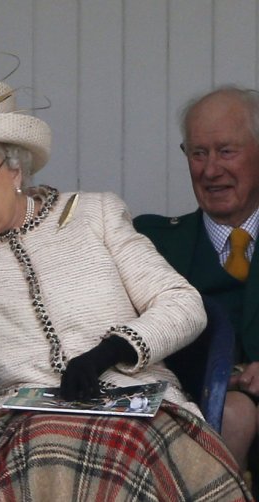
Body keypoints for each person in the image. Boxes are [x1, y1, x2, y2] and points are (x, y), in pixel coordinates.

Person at [0, 80, 251, 500]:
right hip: (21, 427)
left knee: (117, 449)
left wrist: (111, 351)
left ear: (16, 170)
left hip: (136, 412)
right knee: (46, 449)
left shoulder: (95, 214)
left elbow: (184, 305)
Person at [134, 86, 259, 477]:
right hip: (183, 421)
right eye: (198, 153)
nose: (209, 170)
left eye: (226, 151)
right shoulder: (148, 242)